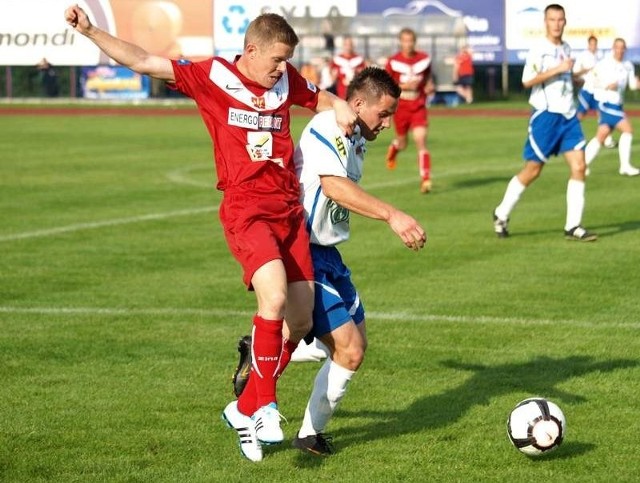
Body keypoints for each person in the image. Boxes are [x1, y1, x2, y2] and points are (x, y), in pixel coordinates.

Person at [64, 4, 357, 464]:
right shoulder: (213, 76)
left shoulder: (285, 80)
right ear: (251, 49)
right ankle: (263, 406)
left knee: (299, 324)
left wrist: (339, 103)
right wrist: (90, 31)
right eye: (277, 60)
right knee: (273, 300)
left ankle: (241, 410)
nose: (283, 69)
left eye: (287, 61)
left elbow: (318, 97)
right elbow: (143, 60)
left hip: (288, 214)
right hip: (247, 210)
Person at [291, 66, 426, 455]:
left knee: (354, 347)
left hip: (329, 253)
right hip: (303, 250)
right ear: (358, 103)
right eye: (383, 114)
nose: (387, 124)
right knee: (348, 349)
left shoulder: (356, 139)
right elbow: (333, 185)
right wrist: (392, 215)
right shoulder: (328, 125)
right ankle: (307, 434)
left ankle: (269, 347)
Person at [492, 4, 596, 242]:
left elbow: (565, 79)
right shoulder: (539, 49)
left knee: (579, 166)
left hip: (569, 116)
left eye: (560, 19)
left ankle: (573, 226)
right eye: (552, 19)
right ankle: (501, 213)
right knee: (532, 171)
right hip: (546, 116)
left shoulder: (567, 47)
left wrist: (579, 79)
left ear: (565, 22)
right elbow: (527, 80)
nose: (557, 24)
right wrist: (558, 69)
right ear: (545, 22)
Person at [384, 28, 435, 194]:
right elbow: (386, 86)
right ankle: (394, 148)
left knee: (420, 140)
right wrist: (405, 86)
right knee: (403, 142)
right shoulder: (393, 61)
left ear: (415, 41)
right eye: (405, 40)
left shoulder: (424, 59)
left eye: (411, 40)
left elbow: (427, 77)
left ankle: (426, 179)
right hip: (401, 106)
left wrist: (429, 85)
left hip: (418, 104)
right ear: (400, 42)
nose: (408, 44)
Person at [584, 38, 640, 176]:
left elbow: (632, 85)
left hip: (618, 105)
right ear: (613, 48)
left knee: (601, 135)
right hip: (605, 103)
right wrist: (606, 85)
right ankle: (625, 166)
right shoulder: (604, 64)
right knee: (627, 129)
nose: (620, 50)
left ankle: (581, 164)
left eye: (622, 48)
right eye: (617, 47)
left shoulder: (628, 65)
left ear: (625, 49)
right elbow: (591, 79)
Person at [573, 36, 616, 149]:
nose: (593, 46)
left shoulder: (600, 57)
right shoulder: (583, 56)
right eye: (591, 44)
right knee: (581, 114)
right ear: (588, 45)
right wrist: (586, 70)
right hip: (587, 89)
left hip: (599, 90)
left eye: (595, 44)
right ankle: (573, 136)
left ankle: (607, 139)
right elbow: (575, 73)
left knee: (602, 113)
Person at [330, 36, 367, 100]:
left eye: (350, 44)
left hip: (355, 91)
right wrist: (335, 75)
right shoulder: (337, 59)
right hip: (341, 92)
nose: (348, 47)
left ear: (353, 46)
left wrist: (356, 73)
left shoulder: (359, 59)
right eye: (346, 44)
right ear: (343, 45)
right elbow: (332, 78)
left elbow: (364, 76)